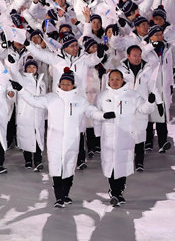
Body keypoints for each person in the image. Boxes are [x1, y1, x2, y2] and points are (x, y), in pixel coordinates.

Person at [11, 68, 110, 208]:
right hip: (55, 141)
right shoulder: (51, 98)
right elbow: (33, 100)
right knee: (56, 168)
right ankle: (59, 197)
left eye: (68, 83)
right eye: (62, 83)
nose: (65, 86)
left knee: (69, 168)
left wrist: (103, 115)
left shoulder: (79, 100)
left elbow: (91, 111)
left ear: (73, 85)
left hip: (72, 141)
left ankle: (66, 194)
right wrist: (20, 89)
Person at [97, 69, 155, 206]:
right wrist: (97, 134)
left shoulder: (133, 95)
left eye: (118, 79)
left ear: (123, 80)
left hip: (125, 136)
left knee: (122, 165)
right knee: (111, 164)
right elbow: (97, 115)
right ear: (108, 80)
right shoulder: (103, 96)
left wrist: (150, 103)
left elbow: (143, 109)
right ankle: (114, 191)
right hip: (108, 138)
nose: (115, 82)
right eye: (112, 79)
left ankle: (119, 191)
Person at [14, 58, 47, 171]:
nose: (31, 69)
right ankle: (28, 160)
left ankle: (38, 161)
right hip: (25, 113)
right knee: (26, 138)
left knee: (38, 138)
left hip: (38, 114)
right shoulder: (22, 79)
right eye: (29, 67)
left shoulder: (41, 82)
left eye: (34, 67)